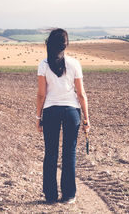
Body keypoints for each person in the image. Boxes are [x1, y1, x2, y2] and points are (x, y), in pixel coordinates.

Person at [36, 28, 90, 204]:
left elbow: (41, 95)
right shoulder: (74, 63)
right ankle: (69, 195)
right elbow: (81, 94)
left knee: (50, 153)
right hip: (71, 112)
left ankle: (50, 196)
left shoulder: (44, 64)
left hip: (51, 111)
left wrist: (38, 118)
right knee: (70, 152)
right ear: (66, 45)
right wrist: (87, 119)